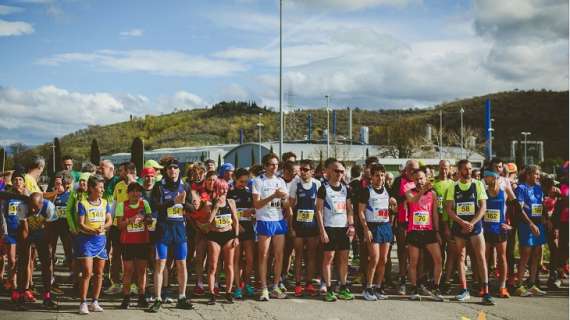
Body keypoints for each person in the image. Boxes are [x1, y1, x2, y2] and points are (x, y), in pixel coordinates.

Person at [147, 158, 194, 312]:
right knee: (160, 264)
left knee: (182, 264)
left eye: (175, 168)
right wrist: (173, 201)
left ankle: (182, 296)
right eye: (169, 169)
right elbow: (155, 206)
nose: (172, 171)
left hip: (179, 229)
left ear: (179, 170)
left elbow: (192, 208)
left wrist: (183, 202)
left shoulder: (185, 186)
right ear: (166, 171)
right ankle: (158, 298)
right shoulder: (159, 187)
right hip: (163, 229)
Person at [445, 159, 494, 305]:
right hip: (460, 226)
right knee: (461, 257)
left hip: (475, 226)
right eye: (465, 169)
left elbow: (483, 207)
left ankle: (486, 292)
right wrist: (462, 222)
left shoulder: (478, 184)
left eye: (470, 168)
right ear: (459, 171)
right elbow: (448, 209)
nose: (468, 171)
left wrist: (471, 223)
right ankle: (463, 290)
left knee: (481, 257)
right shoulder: (453, 187)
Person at [252, 153, 289, 301]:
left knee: (279, 255)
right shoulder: (258, 181)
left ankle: (275, 286)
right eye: (272, 164)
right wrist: (273, 196)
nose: (275, 167)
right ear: (265, 166)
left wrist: (286, 199)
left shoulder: (280, 181)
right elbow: (257, 204)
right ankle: (264, 288)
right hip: (265, 220)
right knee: (264, 255)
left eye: (276, 164)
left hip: (279, 220)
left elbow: (285, 204)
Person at [317, 159, 355, 302]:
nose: (339, 173)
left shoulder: (346, 189)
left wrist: (351, 226)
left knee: (344, 259)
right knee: (329, 259)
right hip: (329, 228)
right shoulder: (324, 188)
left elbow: (350, 209)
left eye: (341, 171)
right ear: (329, 172)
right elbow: (319, 211)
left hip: (343, 229)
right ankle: (329, 288)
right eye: (336, 171)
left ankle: (343, 287)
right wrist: (322, 231)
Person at [405, 168, 444, 301]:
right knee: (414, 262)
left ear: (426, 178)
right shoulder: (409, 192)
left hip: (428, 231)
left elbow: (434, 214)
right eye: (416, 179)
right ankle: (414, 288)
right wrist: (422, 190)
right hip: (414, 231)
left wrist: (437, 231)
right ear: (413, 180)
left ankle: (436, 287)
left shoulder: (432, 194)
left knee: (438, 259)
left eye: (421, 178)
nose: (419, 181)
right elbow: (413, 201)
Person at [76, 175, 112, 315]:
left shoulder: (104, 202)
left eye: (103, 187)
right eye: (100, 187)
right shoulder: (83, 203)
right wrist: (92, 230)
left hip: (101, 241)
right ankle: (83, 303)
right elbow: (81, 224)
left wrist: (104, 227)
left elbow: (109, 219)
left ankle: (95, 301)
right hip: (86, 241)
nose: (102, 189)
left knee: (99, 273)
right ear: (91, 188)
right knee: (87, 272)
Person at [358, 163, 394, 301]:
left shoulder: (387, 190)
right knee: (374, 258)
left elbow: (390, 208)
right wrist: (366, 229)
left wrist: (393, 206)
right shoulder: (366, 191)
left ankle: (378, 287)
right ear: (371, 177)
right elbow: (360, 211)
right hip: (372, 226)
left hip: (385, 226)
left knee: (384, 259)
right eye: (377, 175)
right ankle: (368, 287)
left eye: (382, 175)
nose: (380, 178)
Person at [17, 193, 58, 309]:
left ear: (41, 203)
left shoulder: (49, 207)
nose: (33, 209)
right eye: (32, 207)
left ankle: (47, 297)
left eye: (36, 207)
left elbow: (50, 230)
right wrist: (24, 248)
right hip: (28, 232)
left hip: (43, 232)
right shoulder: (23, 206)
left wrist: (49, 248)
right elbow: (24, 230)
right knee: (23, 263)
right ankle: (21, 295)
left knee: (46, 265)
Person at [514, 165, 548, 297]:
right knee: (525, 254)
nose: (538, 177)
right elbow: (519, 210)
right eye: (536, 174)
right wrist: (530, 224)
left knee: (537, 254)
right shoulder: (521, 189)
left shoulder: (539, 188)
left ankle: (532, 284)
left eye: (539, 174)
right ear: (528, 175)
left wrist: (546, 219)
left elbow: (541, 206)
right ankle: (519, 285)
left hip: (538, 224)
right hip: (526, 225)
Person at [117, 182, 152, 309]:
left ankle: (141, 297)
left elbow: (150, 220)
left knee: (142, 271)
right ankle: (126, 298)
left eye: (138, 191)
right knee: (128, 271)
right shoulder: (122, 205)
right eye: (133, 191)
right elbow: (119, 225)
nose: (135, 194)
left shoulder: (145, 204)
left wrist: (144, 219)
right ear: (128, 193)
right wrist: (130, 220)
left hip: (142, 242)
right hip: (128, 243)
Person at [288, 159, 321, 297]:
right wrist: (291, 227)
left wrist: (320, 227)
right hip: (299, 226)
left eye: (306, 170)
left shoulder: (317, 184)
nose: (302, 172)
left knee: (311, 256)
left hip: (312, 226)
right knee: (299, 256)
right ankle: (297, 284)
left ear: (312, 171)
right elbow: (289, 207)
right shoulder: (295, 184)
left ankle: (309, 283)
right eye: (301, 169)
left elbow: (319, 208)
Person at [205, 180, 239, 305]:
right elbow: (208, 222)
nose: (223, 192)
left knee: (229, 265)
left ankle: (228, 292)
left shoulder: (231, 202)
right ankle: (212, 293)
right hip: (214, 236)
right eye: (221, 189)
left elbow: (235, 220)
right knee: (213, 266)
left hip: (228, 235)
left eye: (225, 189)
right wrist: (216, 207)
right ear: (215, 190)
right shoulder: (209, 203)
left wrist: (236, 236)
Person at [0, 171, 29, 303]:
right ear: (13, 182)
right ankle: (14, 287)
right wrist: (4, 231)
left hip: (23, 233)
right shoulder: (8, 197)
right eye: (16, 179)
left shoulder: (26, 196)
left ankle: (25, 288)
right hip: (10, 233)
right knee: (11, 261)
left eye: (20, 179)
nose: (18, 181)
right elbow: (3, 215)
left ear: (24, 182)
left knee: (24, 261)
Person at [482, 170, 512, 298]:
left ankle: (502, 287)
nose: (485, 179)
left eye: (487, 177)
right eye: (485, 177)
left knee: (502, 257)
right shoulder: (483, 191)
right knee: (485, 258)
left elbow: (515, 205)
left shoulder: (504, 191)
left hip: (500, 229)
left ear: (494, 178)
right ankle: (484, 286)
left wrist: (511, 225)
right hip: (486, 229)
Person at [391, 160, 418, 295]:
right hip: (403, 220)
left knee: (417, 253)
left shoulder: (421, 181)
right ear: (406, 170)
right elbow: (393, 198)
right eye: (411, 169)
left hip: (419, 222)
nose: (413, 172)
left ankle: (417, 281)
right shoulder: (398, 181)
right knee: (403, 250)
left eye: (416, 169)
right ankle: (402, 279)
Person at [228, 168, 256, 299]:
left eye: (246, 182)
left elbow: (255, 211)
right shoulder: (230, 193)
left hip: (249, 228)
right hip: (236, 230)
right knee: (236, 258)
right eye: (241, 181)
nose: (243, 184)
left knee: (250, 259)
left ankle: (247, 283)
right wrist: (237, 224)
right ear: (235, 179)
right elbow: (227, 214)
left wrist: (252, 211)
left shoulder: (250, 193)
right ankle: (237, 286)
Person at [49, 171, 73, 294]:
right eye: (55, 184)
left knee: (69, 253)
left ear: (65, 184)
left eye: (59, 184)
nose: (57, 186)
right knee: (51, 253)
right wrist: (52, 197)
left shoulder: (70, 196)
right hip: (53, 228)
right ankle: (51, 279)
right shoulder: (52, 195)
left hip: (66, 229)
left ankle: (74, 278)